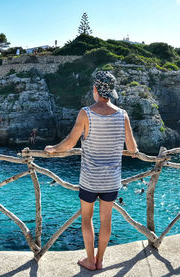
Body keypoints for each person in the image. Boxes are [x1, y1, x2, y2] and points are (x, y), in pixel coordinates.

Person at [44, 71, 139, 271]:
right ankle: (100, 260)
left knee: (87, 219)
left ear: (95, 89)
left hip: (89, 179)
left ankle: (90, 260)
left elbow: (70, 143)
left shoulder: (85, 113)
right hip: (111, 180)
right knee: (106, 221)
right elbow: (131, 148)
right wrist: (135, 151)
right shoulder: (123, 115)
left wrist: (53, 149)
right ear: (111, 92)